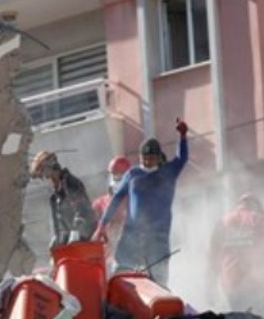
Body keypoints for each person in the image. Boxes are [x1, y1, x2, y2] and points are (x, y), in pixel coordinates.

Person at [94, 119, 189, 286]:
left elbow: (182, 158)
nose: (147, 162)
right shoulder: (133, 174)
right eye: (144, 158)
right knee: (121, 275)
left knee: (158, 281)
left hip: (158, 238)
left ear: (158, 158)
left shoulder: (168, 172)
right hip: (131, 236)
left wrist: (182, 136)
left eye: (151, 158)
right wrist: (102, 225)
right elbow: (116, 199)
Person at [30, 150, 96, 248]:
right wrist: (57, 237)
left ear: (51, 167)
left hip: (85, 234)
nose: (45, 178)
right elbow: (58, 221)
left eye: (43, 173)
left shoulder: (70, 183)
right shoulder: (54, 195)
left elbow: (82, 209)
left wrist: (76, 231)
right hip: (70, 237)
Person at [209, 194, 263, 312]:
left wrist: (210, 286)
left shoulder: (223, 221)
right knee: (257, 318)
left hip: (231, 283)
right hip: (255, 284)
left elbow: (213, 256)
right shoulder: (260, 220)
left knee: (237, 317)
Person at [91, 156, 131, 265]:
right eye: (114, 175)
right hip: (105, 257)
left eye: (120, 176)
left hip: (129, 255)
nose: (116, 180)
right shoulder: (99, 204)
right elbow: (93, 232)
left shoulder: (135, 202)